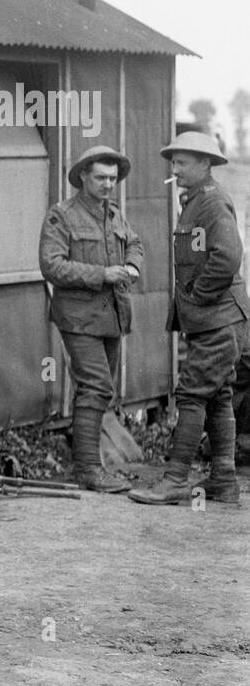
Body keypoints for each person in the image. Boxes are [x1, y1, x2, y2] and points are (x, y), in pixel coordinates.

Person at [131, 130, 248, 505]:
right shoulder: (194, 202)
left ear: (205, 164)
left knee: (194, 392)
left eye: (182, 163)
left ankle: (177, 478)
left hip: (218, 318)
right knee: (217, 394)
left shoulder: (213, 204)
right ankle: (224, 480)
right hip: (211, 319)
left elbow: (228, 257)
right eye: (173, 163)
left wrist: (199, 296)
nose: (175, 169)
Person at [38, 145, 143, 493]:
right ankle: (88, 469)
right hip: (78, 317)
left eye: (113, 178)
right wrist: (103, 273)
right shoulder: (62, 215)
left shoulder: (113, 214)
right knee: (97, 385)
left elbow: (136, 244)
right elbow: (52, 265)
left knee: (96, 389)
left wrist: (131, 266)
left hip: (112, 315)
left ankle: (86, 462)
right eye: (100, 177)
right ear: (83, 176)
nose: (108, 184)